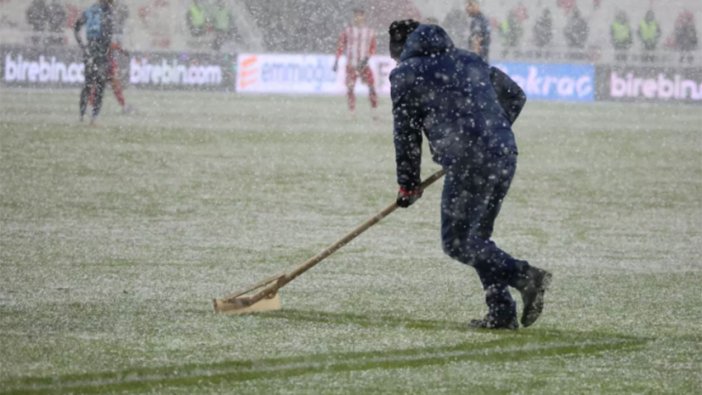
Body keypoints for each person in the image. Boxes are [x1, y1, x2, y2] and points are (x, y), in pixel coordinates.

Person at [388, 20, 550, 330]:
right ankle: (501, 312)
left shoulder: (406, 75)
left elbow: (406, 134)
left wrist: (408, 185)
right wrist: (492, 132)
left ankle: (525, 276)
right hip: (504, 154)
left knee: (458, 242)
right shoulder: (469, 59)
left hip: (470, 160)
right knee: (479, 241)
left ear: (400, 51)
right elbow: (515, 96)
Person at [74, 0, 114, 125]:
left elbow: (76, 28)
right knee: (100, 84)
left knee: (88, 83)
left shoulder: (89, 10)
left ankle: (82, 115)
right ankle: (94, 117)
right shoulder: (107, 10)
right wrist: (106, 51)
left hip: (90, 51)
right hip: (100, 52)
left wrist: (83, 46)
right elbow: (107, 33)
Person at [333, 8, 378, 117]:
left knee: (371, 87)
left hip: (364, 65)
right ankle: (352, 112)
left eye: (360, 15)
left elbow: (373, 47)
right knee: (350, 88)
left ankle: (374, 111)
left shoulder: (369, 32)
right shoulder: (348, 31)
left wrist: (367, 58)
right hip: (351, 65)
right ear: (354, 17)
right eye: (356, 15)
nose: (358, 18)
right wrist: (336, 60)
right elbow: (341, 45)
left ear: (364, 17)